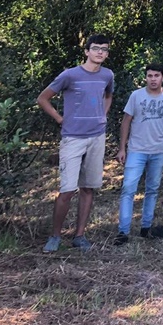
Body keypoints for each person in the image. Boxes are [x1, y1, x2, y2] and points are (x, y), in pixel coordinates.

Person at [38, 35, 115, 253]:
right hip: (73, 137)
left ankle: (80, 235)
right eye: (96, 48)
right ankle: (55, 236)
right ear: (87, 51)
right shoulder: (70, 75)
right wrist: (60, 119)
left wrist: (103, 114)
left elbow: (108, 96)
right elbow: (43, 98)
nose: (100, 52)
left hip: (97, 136)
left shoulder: (107, 75)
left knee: (88, 188)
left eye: (104, 49)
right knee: (67, 189)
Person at [114, 63, 163, 245]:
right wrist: (122, 148)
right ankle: (123, 231)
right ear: (146, 77)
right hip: (136, 150)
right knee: (128, 189)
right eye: (150, 76)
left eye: (156, 76)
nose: (153, 79)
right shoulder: (136, 96)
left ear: (162, 77)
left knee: (152, 189)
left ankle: (146, 227)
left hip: (158, 150)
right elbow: (126, 121)